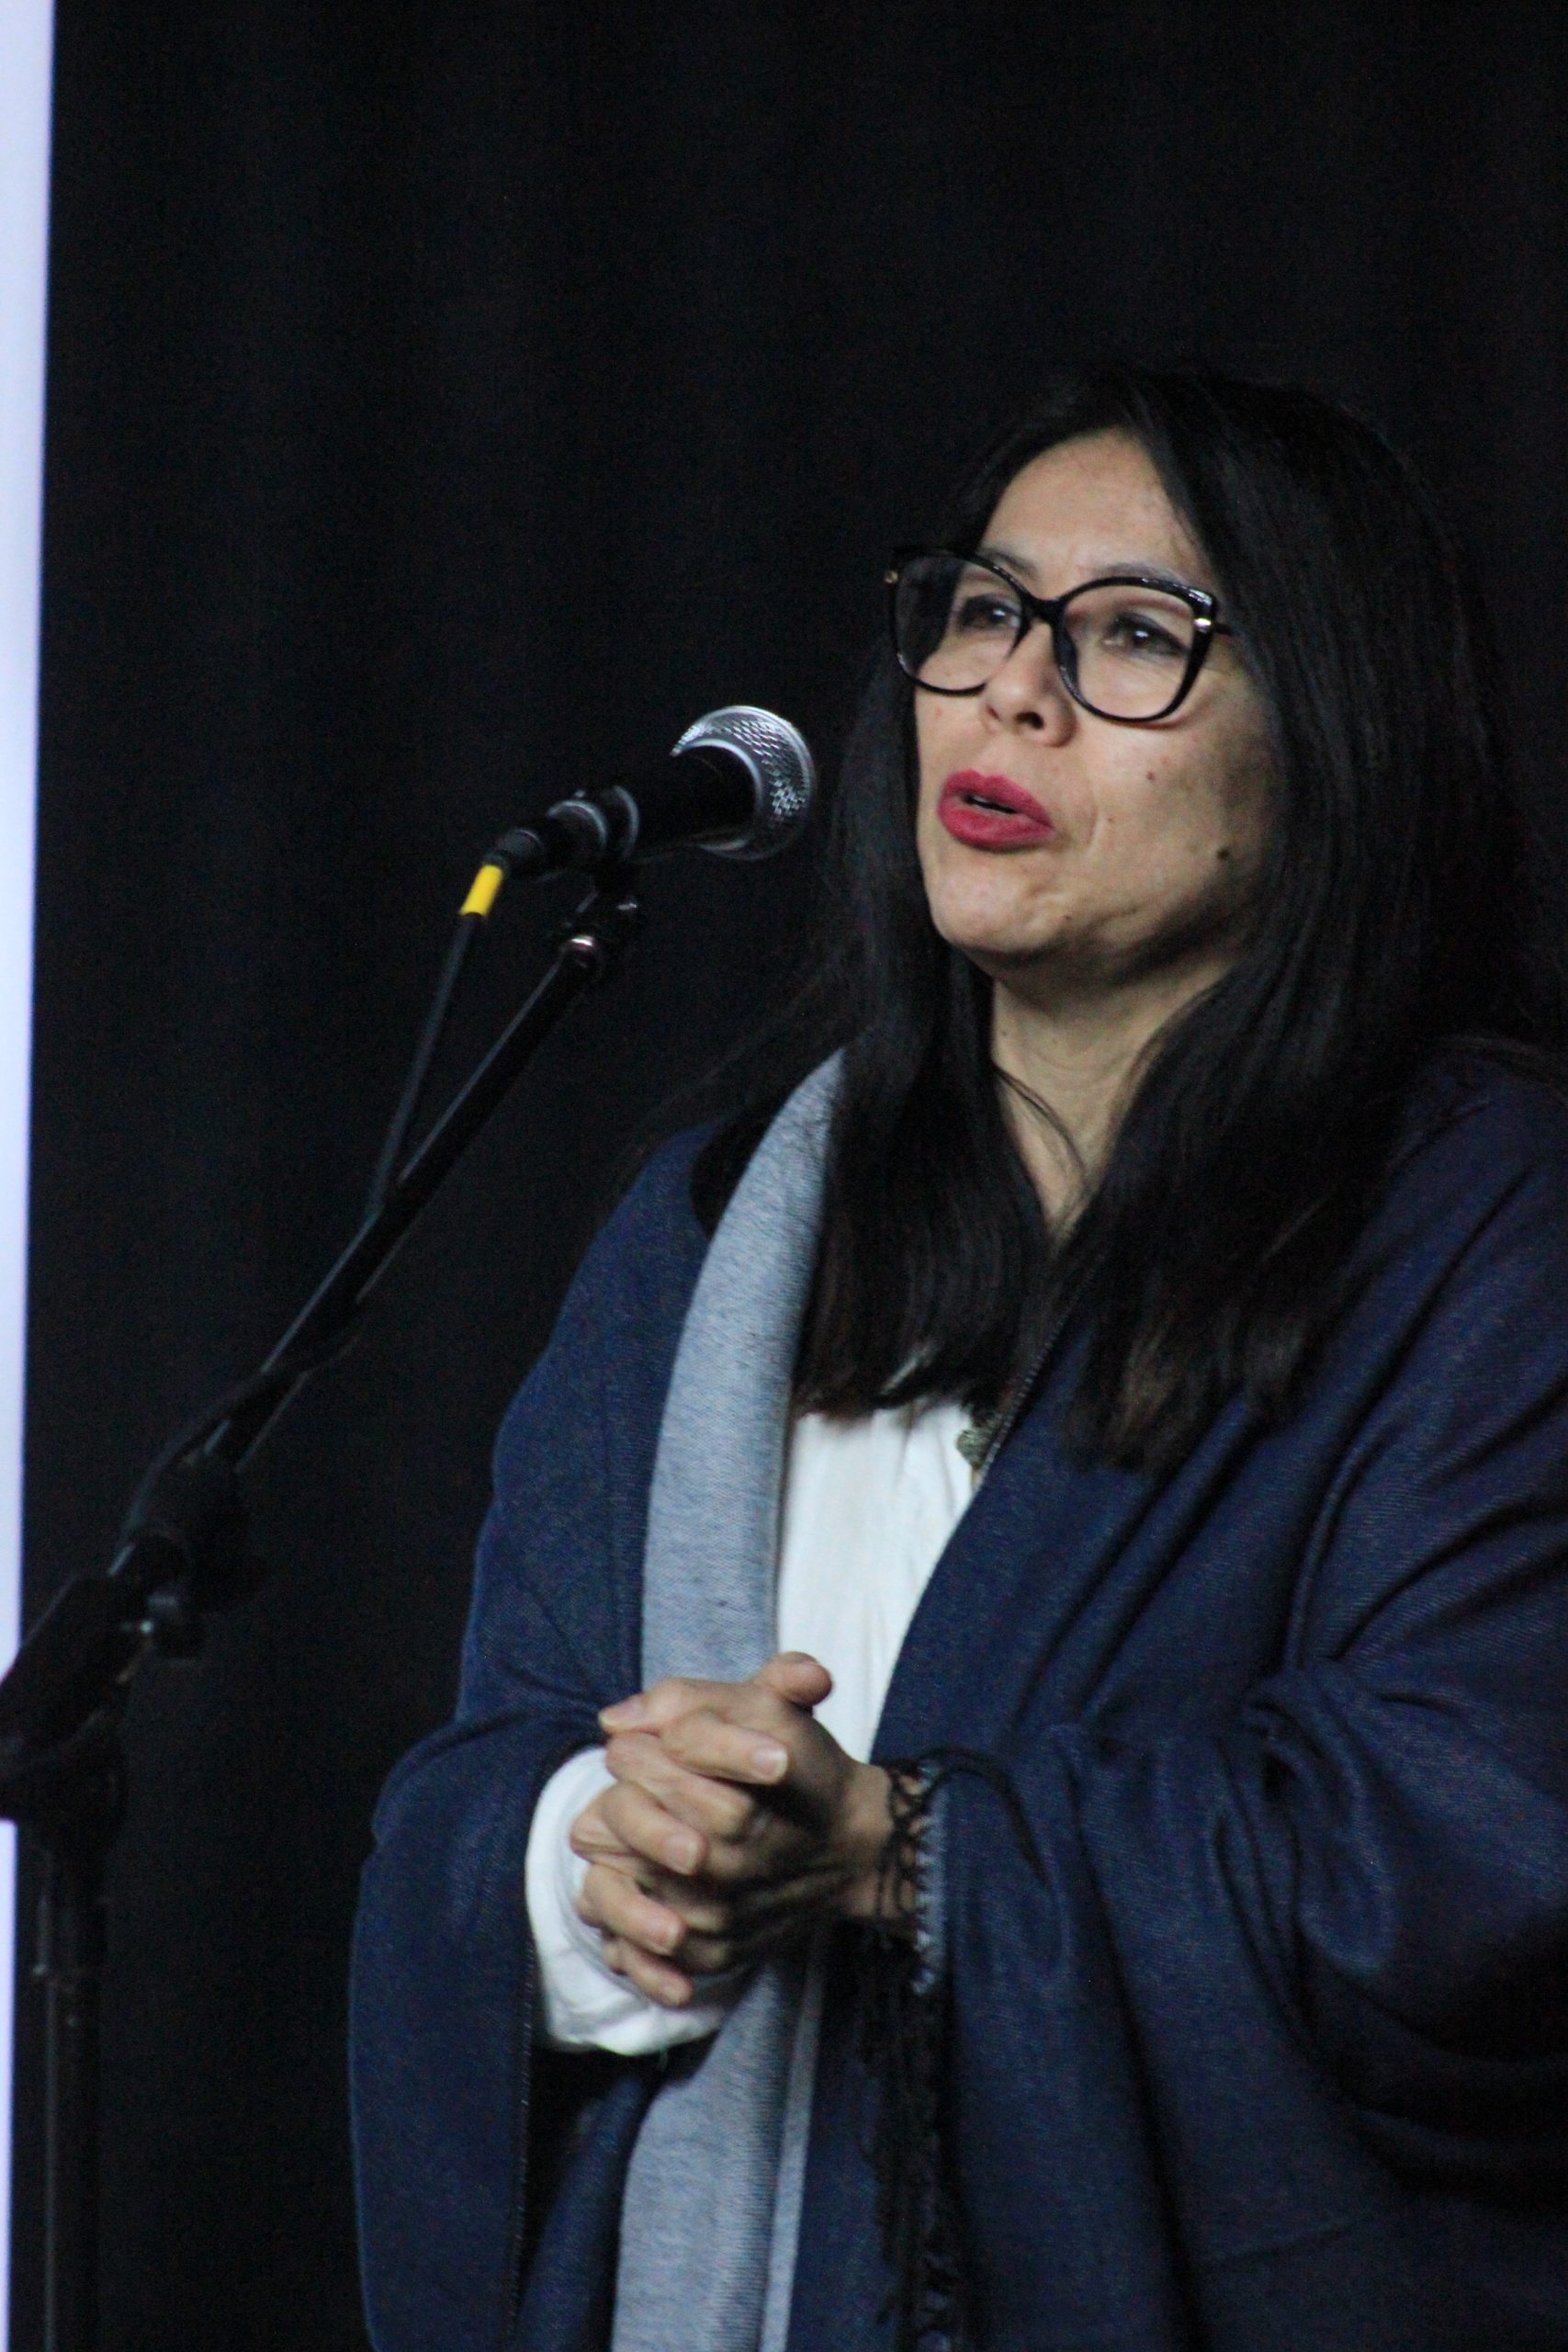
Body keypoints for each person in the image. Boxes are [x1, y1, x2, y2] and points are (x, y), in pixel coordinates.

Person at [349, 368, 1568, 2352]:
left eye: (1134, 638)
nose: (1011, 691)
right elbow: (494, 1776)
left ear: (1336, 739)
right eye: (984, 608)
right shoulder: (712, 1238)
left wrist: (899, 1851)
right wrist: (602, 1865)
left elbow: (1477, 1855)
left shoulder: (1480, 1228)